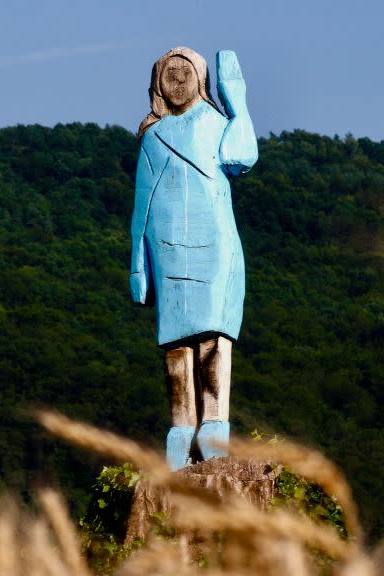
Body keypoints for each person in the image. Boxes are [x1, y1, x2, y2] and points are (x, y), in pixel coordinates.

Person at [129, 47, 258, 471]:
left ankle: (214, 422)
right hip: (165, 248)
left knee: (212, 338)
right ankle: (181, 426)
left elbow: (243, 156)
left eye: (186, 72)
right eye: (170, 72)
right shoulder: (152, 136)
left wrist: (235, 98)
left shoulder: (216, 124)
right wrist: (138, 264)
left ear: (200, 78)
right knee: (174, 345)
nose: (178, 80)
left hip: (213, 244)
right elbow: (142, 204)